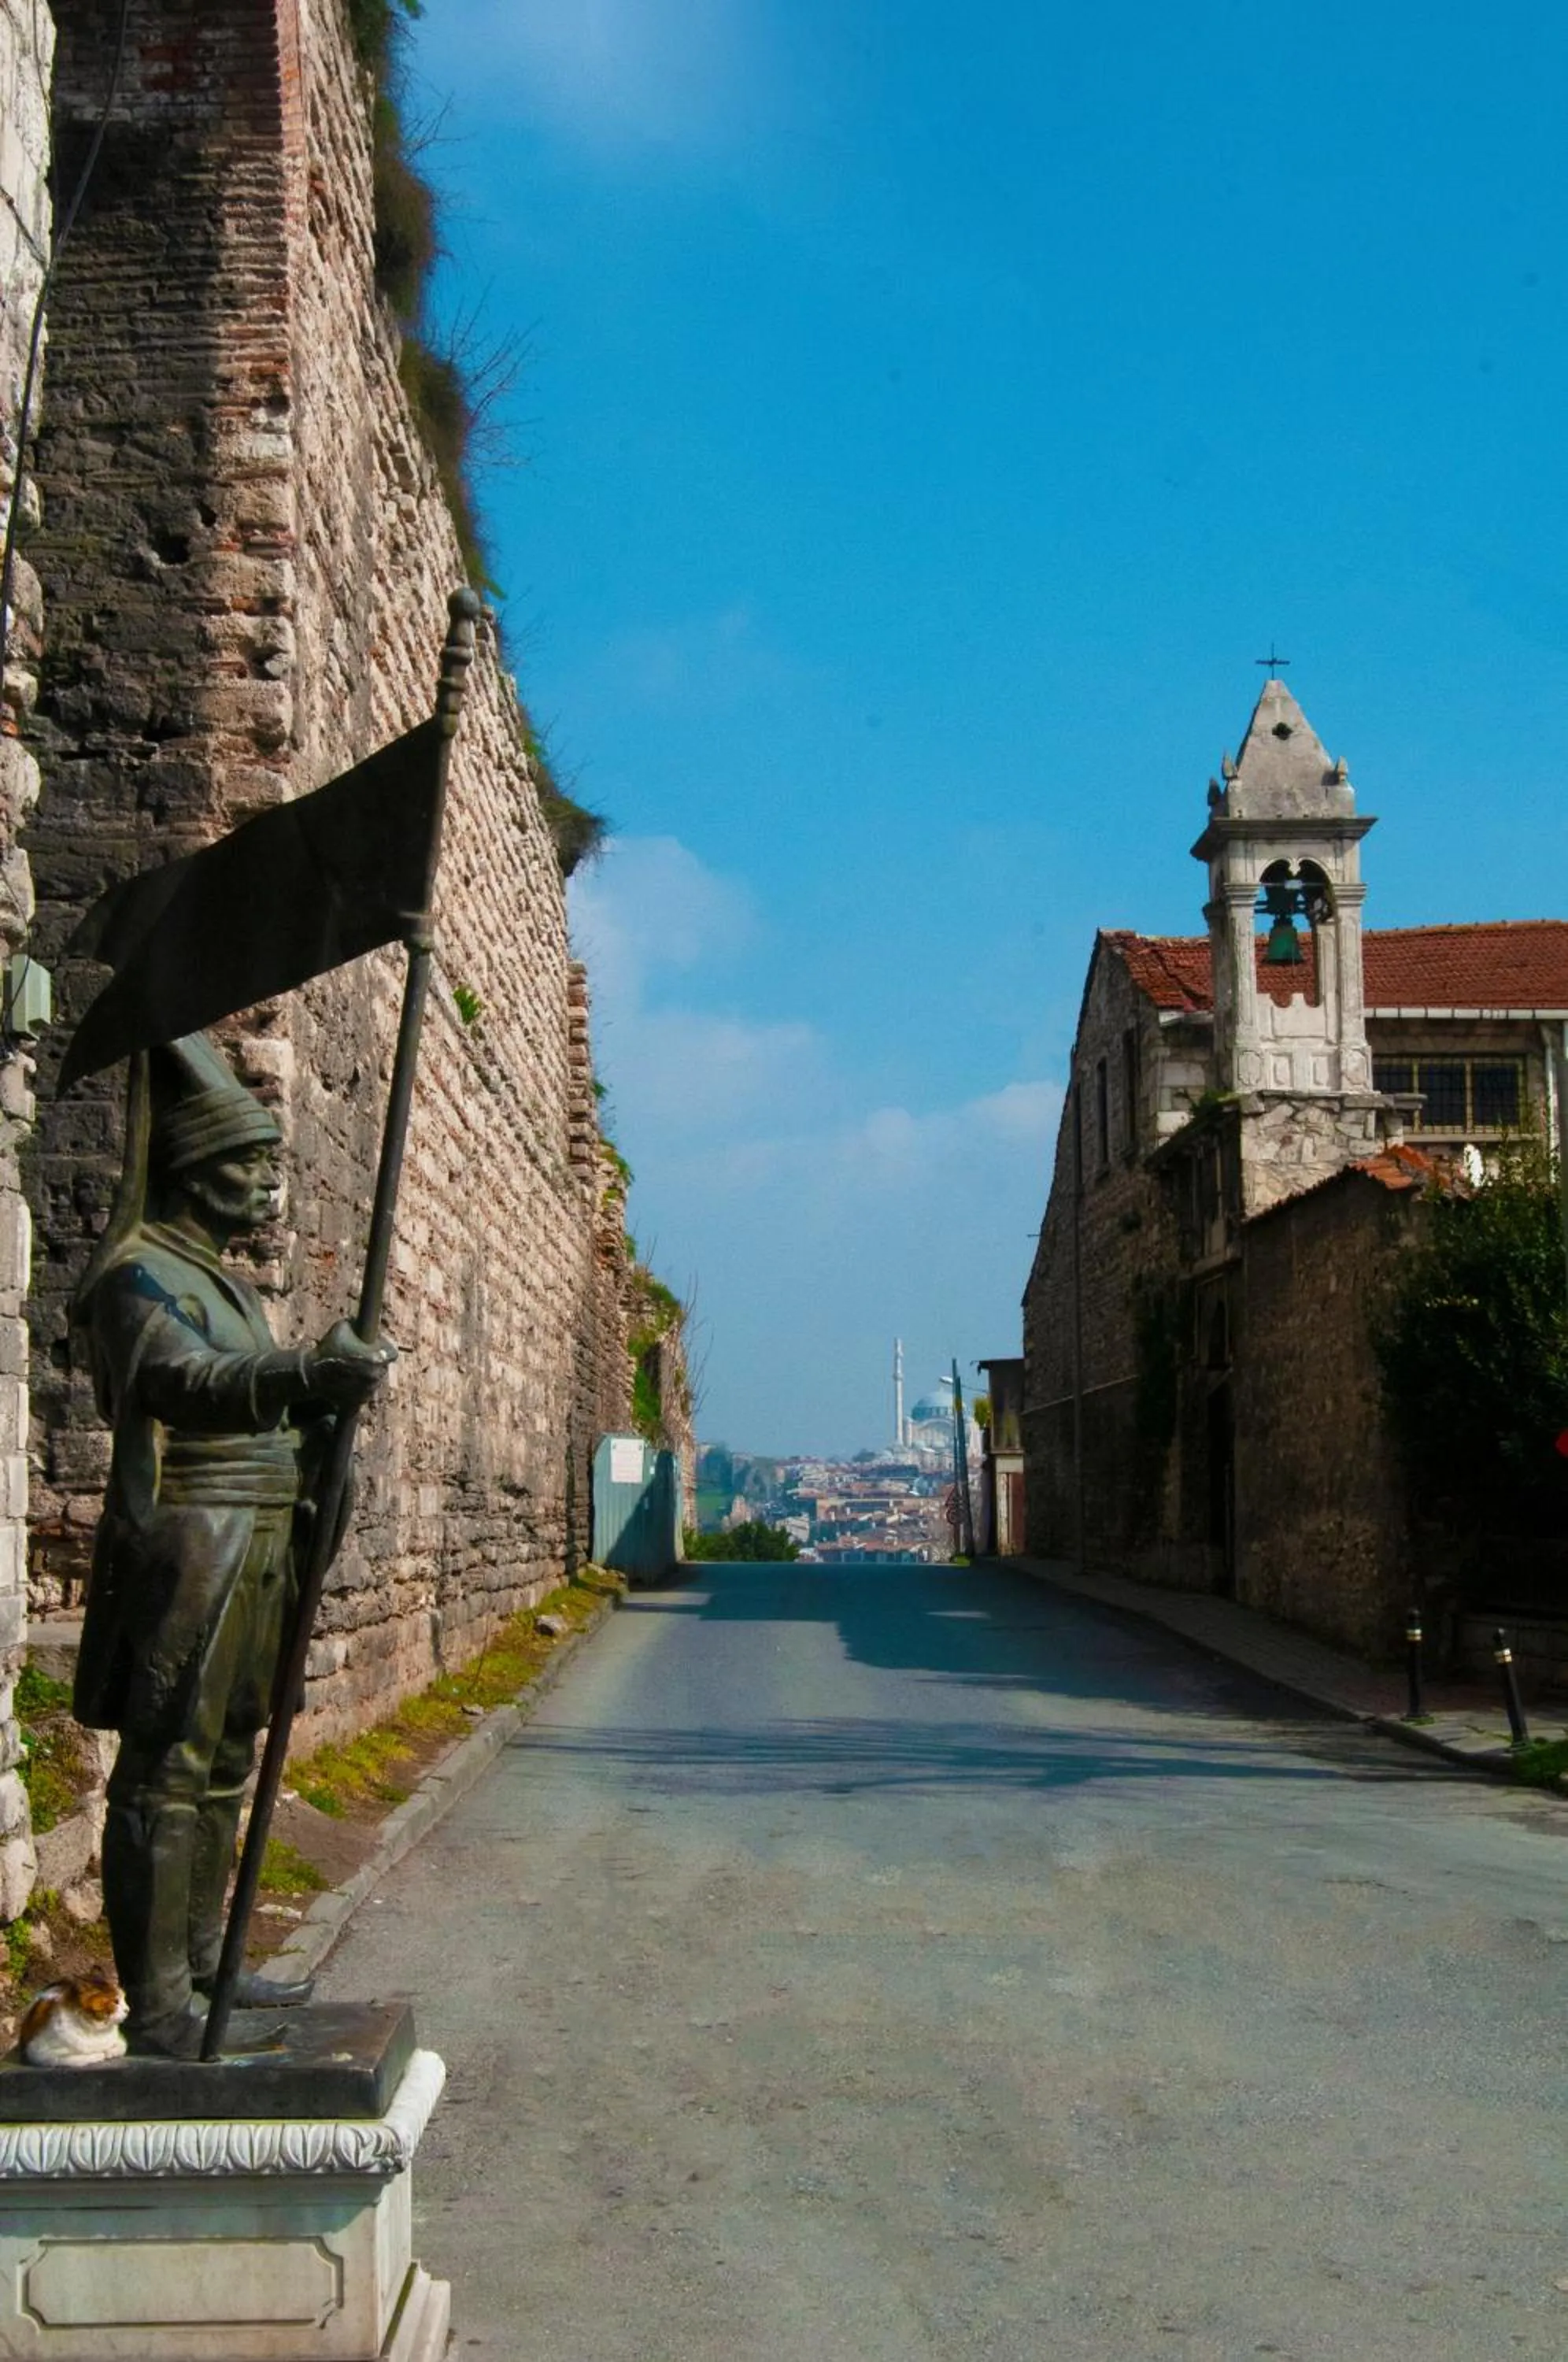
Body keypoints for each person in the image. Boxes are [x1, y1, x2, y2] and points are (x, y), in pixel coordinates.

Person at [72, 1034, 394, 2059]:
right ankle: (160, 2006)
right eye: (251, 1166)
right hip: (190, 1542)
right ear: (195, 1171)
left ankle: (207, 1967)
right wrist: (306, 1375)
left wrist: (325, 1420)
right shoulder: (139, 1277)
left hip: (257, 1540)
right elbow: (176, 1384)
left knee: (223, 1764)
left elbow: (271, 1412)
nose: (268, 1184)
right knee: (166, 1770)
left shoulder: (229, 1285)